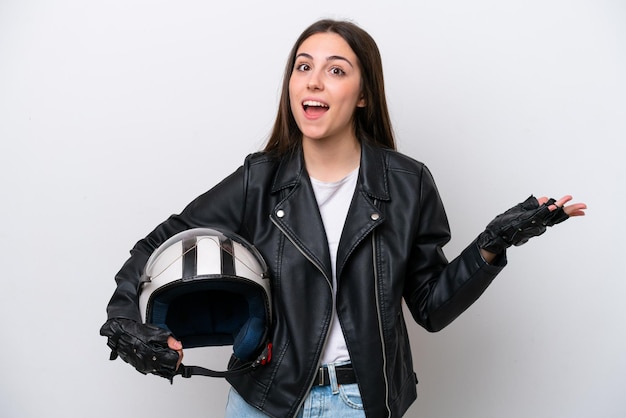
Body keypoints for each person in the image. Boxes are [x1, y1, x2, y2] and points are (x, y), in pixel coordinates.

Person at [100, 19, 586, 418]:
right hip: (264, 401)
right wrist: (124, 318)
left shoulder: (407, 183)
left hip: (361, 403)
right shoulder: (259, 180)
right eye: (303, 66)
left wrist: (493, 244)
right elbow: (157, 246)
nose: (313, 80)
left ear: (363, 95)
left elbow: (430, 308)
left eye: (335, 70)